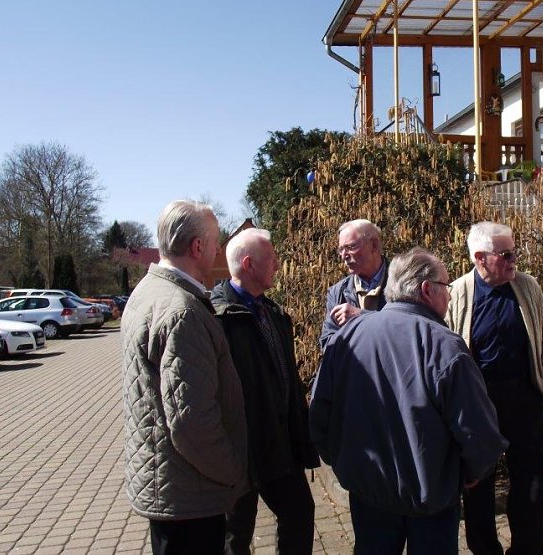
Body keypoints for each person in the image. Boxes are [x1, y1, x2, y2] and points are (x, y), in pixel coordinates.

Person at [310, 247, 507, 555]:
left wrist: (346, 465)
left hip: (369, 493)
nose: (451, 296)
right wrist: (469, 474)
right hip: (430, 500)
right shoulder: (445, 346)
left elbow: (320, 413)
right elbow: (479, 433)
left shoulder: (345, 338)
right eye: (447, 286)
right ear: (428, 290)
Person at [122, 200, 249, 555]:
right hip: (190, 495)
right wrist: (233, 471)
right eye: (215, 241)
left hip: (171, 487)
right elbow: (191, 422)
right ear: (198, 247)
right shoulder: (182, 311)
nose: (218, 249)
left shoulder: (147, 292)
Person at [445, 221, 543, 555]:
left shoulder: (528, 286)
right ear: (480, 258)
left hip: (525, 397)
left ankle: (527, 549)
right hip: (478, 403)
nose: (514, 261)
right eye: (506, 254)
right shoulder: (456, 293)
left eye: (515, 252)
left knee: (532, 482)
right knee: (478, 484)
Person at [210, 228, 319, 555]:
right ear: (249, 264)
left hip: (279, 446)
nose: (277, 263)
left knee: (300, 514)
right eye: (270, 258)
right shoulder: (216, 318)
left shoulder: (272, 313)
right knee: (236, 534)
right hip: (239, 453)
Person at [318, 219, 388, 351]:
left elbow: (409, 328)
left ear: (374, 245)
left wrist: (360, 317)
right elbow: (328, 344)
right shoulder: (337, 293)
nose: (344, 255)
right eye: (341, 249)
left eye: (351, 247)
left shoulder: (402, 283)